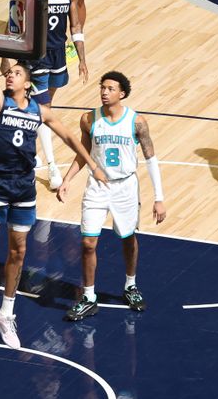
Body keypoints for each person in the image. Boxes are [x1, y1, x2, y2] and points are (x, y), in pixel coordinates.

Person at [0, 54, 107, 349]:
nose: (9, 76)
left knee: (19, 253)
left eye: (16, 73)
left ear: (27, 82)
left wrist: (92, 164)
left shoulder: (39, 112)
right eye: (8, 73)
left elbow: (68, 135)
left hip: (24, 190)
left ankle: (6, 313)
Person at [57, 72, 167, 321]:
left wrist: (159, 197)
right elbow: (84, 153)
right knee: (87, 243)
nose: (104, 92)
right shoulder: (88, 119)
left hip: (125, 187)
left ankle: (130, 285)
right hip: (97, 187)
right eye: (102, 88)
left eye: (110, 88)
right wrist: (67, 179)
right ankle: (88, 297)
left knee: (128, 238)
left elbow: (151, 158)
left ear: (122, 94)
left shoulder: (137, 122)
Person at [6, 0, 88, 191]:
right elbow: (14, 24)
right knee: (44, 110)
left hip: (58, 54)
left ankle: (25, 142)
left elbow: (75, 25)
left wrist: (82, 57)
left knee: (43, 108)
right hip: (37, 55)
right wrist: (6, 57)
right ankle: (52, 166)